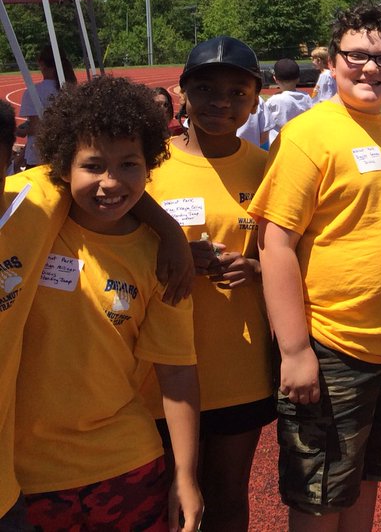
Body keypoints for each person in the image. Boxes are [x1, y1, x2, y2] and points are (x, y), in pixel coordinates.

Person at [251, 1, 381, 531]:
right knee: (320, 493)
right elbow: (274, 243)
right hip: (333, 346)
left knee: (366, 477)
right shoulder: (310, 134)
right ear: (331, 61)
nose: (371, 68)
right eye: (356, 55)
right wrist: (296, 350)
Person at [14, 76, 201, 532]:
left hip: (127, 464)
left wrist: (185, 475)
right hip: (26, 475)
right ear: (62, 166)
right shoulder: (30, 218)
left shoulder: (160, 259)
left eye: (130, 165)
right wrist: (169, 226)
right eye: (93, 165)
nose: (111, 182)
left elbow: (176, 371)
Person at [144, 36, 274, 532]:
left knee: (227, 494)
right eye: (206, 88)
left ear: (254, 98)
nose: (221, 102)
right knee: (164, 499)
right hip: (158, 367)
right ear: (183, 92)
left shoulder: (267, 169)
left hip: (238, 366)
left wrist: (257, 270)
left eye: (237, 92)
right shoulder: (149, 165)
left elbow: (291, 257)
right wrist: (169, 250)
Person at [16, 44, 77, 168]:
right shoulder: (70, 89)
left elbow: (37, 129)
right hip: (66, 152)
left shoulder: (34, 92)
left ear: (42, 64)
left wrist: (19, 131)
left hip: (39, 156)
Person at [261, 58, 314, 148]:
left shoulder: (274, 101)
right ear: (298, 78)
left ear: (275, 79)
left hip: (280, 145)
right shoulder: (306, 97)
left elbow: (263, 122)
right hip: (302, 143)